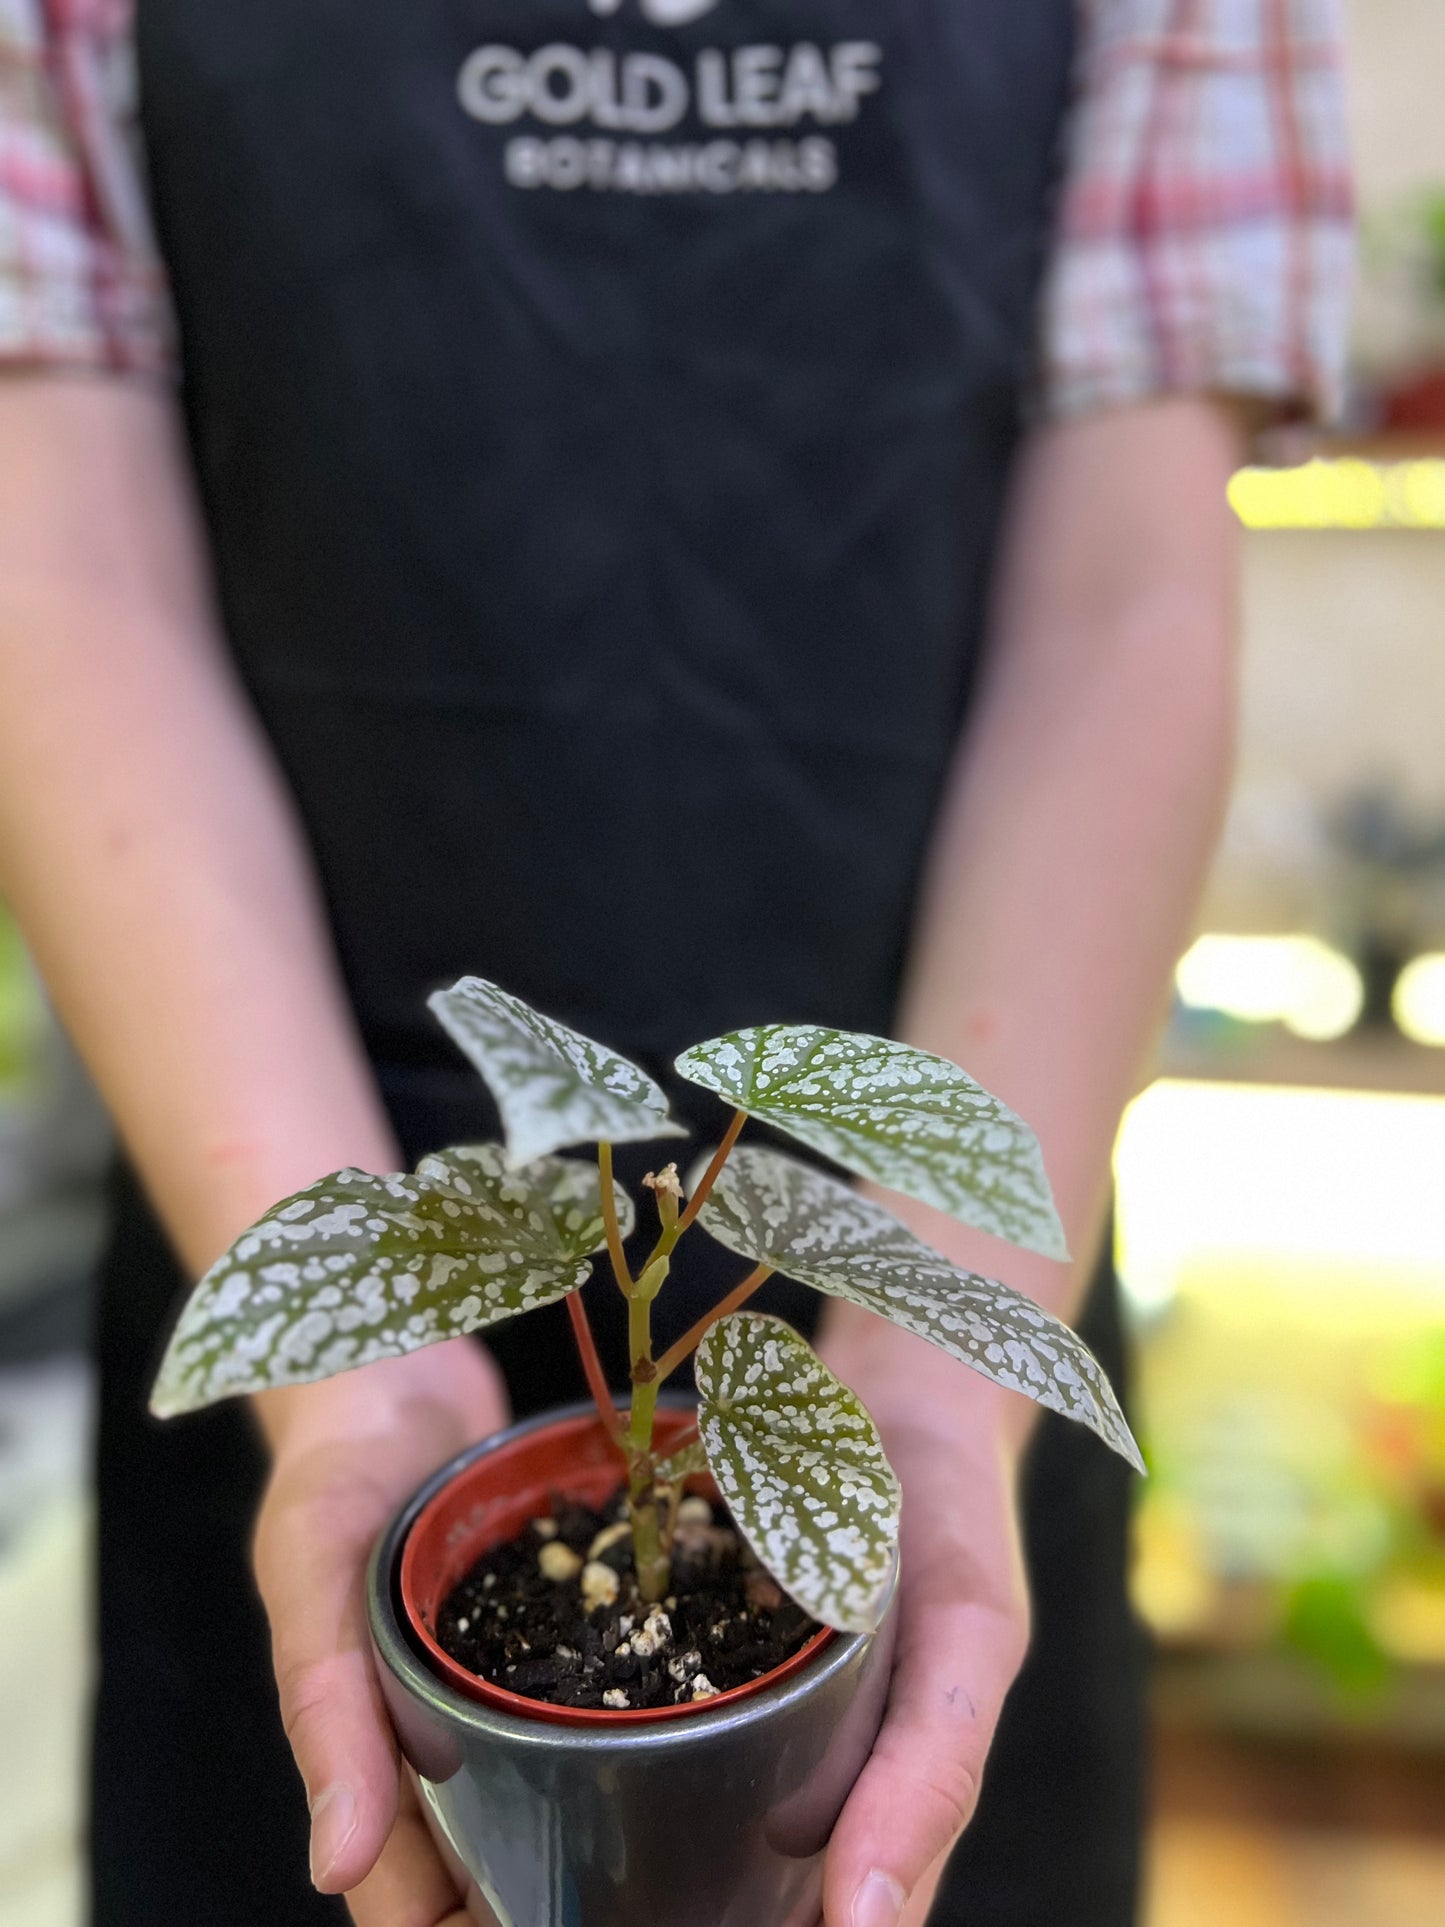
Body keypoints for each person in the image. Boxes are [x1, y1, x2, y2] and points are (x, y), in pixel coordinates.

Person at [0, 1, 1351, 1922]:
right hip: (296, 1190)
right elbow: (64, 576)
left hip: (920, 1247)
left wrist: (943, 1358)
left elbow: (1127, 596)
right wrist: (342, 1366)